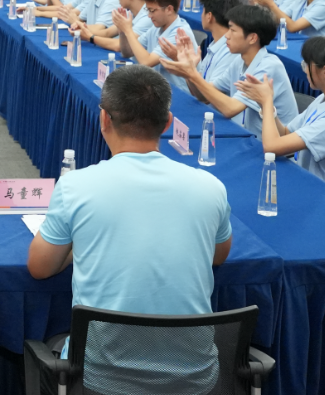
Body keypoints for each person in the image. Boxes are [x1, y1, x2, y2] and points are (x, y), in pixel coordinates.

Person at [28, 67, 231, 390]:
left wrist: (81, 238)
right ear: (168, 123)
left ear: (104, 119)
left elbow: (40, 267)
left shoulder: (76, 187)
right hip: (192, 378)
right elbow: (218, 255)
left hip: (100, 379)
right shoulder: (211, 187)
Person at [244, 35, 325, 198]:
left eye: (307, 65)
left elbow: (271, 147)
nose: (305, 70)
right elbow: (285, 133)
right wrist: (267, 107)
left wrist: (266, 102)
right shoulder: (324, 99)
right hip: (308, 186)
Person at [167, 3, 299, 135]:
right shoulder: (239, 61)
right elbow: (204, 97)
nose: (227, 35)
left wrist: (193, 75)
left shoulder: (269, 67)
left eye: (232, 30)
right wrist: (189, 72)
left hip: (272, 144)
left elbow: (230, 109)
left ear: (252, 38)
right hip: (247, 135)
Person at [109, 0, 195, 95]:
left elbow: (146, 62)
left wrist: (128, 30)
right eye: (147, 10)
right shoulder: (156, 28)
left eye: (152, 11)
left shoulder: (179, 33)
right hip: (158, 91)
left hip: (179, 94)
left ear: (169, 9)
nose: (149, 16)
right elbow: (128, 52)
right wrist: (123, 32)